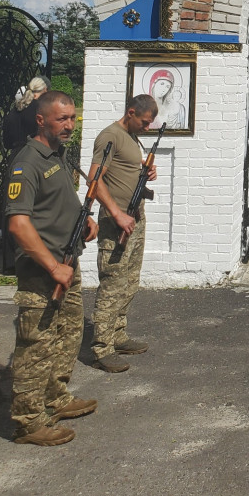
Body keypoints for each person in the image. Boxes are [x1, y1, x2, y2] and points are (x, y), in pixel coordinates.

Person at [5, 90, 98, 445]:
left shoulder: (57, 156)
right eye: (62, 119)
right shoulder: (26, 163)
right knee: (35, 347)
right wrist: (52, 266)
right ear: (40, 119)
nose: (69, 125)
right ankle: (28, 423)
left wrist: (83, 220)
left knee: (68, 335)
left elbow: (60, 201)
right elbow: (18, 225)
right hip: (42, 272)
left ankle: (55, 398)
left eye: (73, 118)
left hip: (67, 262)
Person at [89, 94, 159, 373]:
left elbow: (126, 170)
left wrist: (146, 170)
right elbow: (95, 179)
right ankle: (101, 348)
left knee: (129, 281)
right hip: (115, 221)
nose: (147, 127)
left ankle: (117, 334)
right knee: (112, 284)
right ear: (130, 113)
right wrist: (116, 214)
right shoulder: (111, 136)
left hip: (135, 218)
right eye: (144, 122)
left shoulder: (131, 136)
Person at [3, 76, 48, 154]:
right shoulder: (41, 110)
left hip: (15, 156)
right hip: (35, 156)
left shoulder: (15, 109)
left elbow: (7, 143)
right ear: (44, 91)